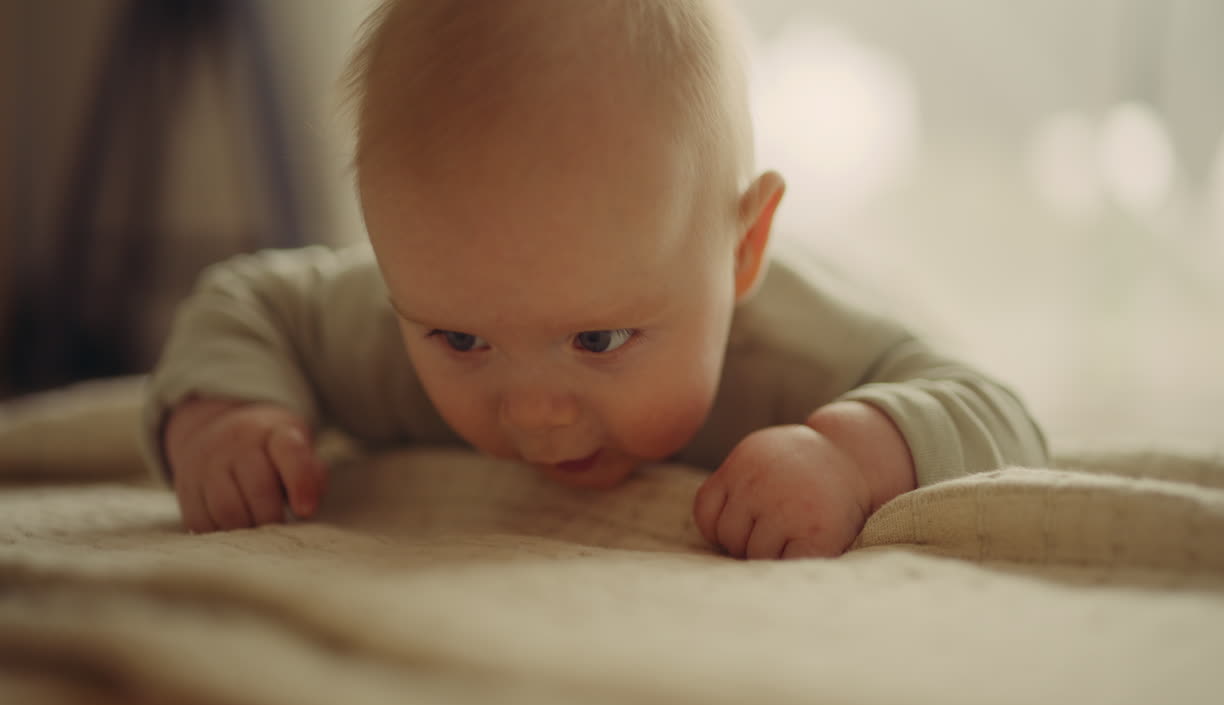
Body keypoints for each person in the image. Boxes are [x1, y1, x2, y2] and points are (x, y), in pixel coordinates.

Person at [144, 0, 1047, 559]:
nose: (533, 408)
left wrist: (851, 458)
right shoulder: (398, 318)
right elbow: (246, 300)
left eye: (599, 340)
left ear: (740, 251)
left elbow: (998, 410)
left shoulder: (797, 348)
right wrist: (227, 416)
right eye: (460, 342)